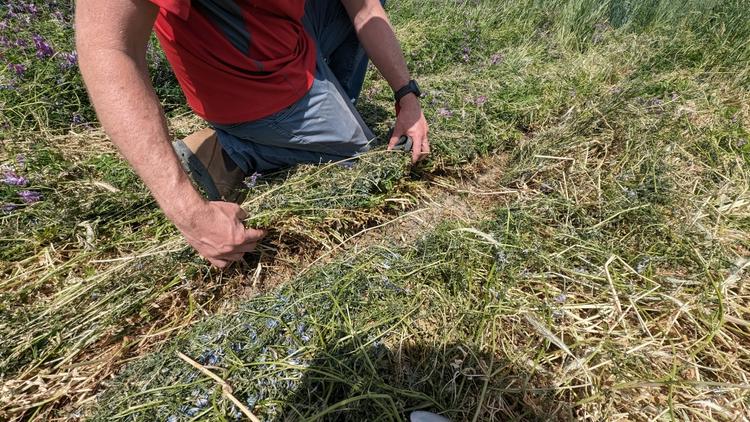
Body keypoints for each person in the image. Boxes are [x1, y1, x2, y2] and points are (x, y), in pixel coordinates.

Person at [75, 0, 430, 268]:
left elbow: (365, 7)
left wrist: (406, 94)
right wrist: (191, 215)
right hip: (246, 76)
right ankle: (232, 150)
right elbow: (107, 48)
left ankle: (319, 108)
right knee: (363, 159)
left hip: (286, 29)